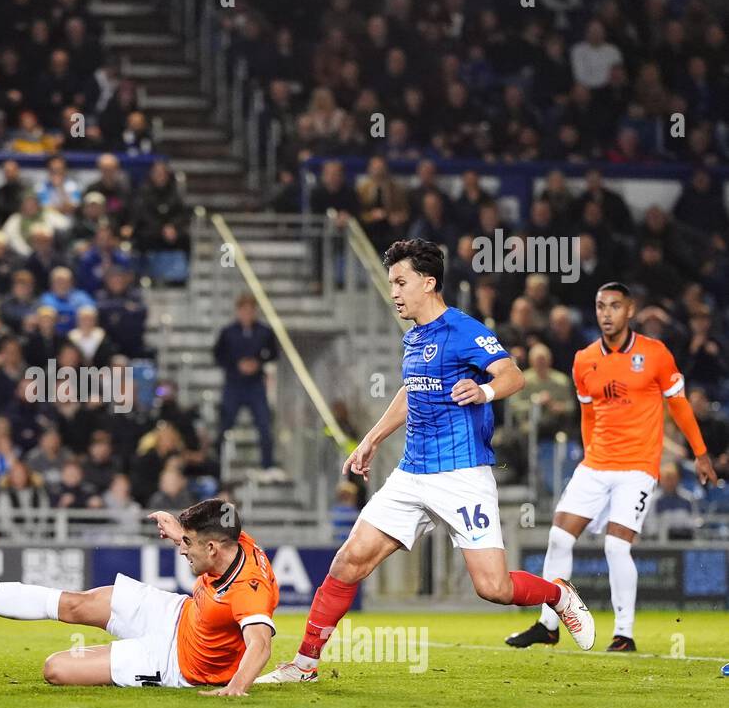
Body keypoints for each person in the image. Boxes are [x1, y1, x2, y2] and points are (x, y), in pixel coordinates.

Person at [257, 239, 596, 685]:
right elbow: (411, 391)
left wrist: (485, 392)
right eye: (391, 282)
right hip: (411, 474)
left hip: (461, 474)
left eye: (401, 282)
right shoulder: (413, 336)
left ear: (429, 282)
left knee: (492, 588)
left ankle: (559, 595)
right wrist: (372, 438)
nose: (393, 291)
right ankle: (304, 666)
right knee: (347, 563)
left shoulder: (463, 329)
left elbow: (510, 373)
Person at [504, 282, 718, 652]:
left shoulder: (655, 354)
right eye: (601, 306)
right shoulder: (584, 359)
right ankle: (549, 625)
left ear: (630, 310)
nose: (606, 313)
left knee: (616, 548)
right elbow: (587, 415)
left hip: (637, 467)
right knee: (558, 537)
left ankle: (624, 634)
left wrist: (700, 453)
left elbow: (679, 404)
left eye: (615, 306)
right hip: (596, 464)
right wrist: (590, 455)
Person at [0, 499, 278, 693]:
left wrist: (236, 688)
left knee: (56, 668)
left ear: (213, 548)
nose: (183, 550)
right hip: (175, 613)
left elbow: (260, 644)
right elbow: (215, 523)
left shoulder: (249, 590)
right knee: (76, 603)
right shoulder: (236, 540)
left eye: (188, 544)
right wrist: (179, 528)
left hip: (175, 663)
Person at [213, 292, 279, 476]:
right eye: (244, 310)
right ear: (238, 311)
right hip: (234, 384)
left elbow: (273, 353)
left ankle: (268, 465)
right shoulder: (228, 332)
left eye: (251, 310)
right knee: (225, 424)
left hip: (255, 385)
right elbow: (218, 355)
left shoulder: (264, 332)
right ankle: (217, 464)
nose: (248, 314)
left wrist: (257, 363)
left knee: (264, 424)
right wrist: (236, 365)